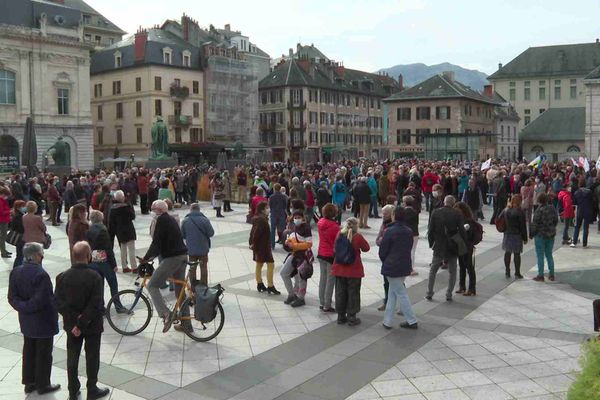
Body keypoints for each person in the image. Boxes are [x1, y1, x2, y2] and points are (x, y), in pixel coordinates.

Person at [55, 241, 109, 400]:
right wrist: (82, 322)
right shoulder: (95, 276)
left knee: (72, 357)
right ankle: (92, 388)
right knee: (92, 356)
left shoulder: (62, 277)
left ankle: (73, 389)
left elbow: (58, 302)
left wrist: (74, 322)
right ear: (88, 256)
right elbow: (96, 303)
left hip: (71, 327)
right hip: (92, 325)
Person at [8, 242, 60, 396]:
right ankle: (43, 384)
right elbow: (42, 299)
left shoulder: (16, 271)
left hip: (26, 320)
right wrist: (29, 307)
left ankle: (29, 382)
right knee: (43, 353)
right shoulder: (41, 274)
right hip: (42, 320)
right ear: (37, 255)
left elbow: (12, 297)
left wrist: (23, 307)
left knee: (29, 350)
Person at [142, 200, 188, 332]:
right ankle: (187, 325)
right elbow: (161, 243)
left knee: (152, 285)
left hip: (173, 258)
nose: (151, 211)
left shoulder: (162, 220)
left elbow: (156, 243)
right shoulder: (170, 219)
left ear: (159, 210)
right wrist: (150, 256)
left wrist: (146, 258)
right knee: (180, 291)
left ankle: (166, 314)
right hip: (182, 255)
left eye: (153, 209)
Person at [379, 206, 418, 329]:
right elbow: (410, 247)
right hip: (404, 265)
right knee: (393, 293)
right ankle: (387, 320)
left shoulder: (389, 231)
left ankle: (412, 320)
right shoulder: (408, 231)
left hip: (392, 266)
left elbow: (383, 250)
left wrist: (385, 260)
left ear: (394, 215)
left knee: (401, 293)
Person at [426, 195, 465, 301]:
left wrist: (431, 243)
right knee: (452, 270)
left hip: (439, 244)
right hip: (452, 245)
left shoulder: (436, 212)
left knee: (433, 270)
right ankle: (449, 294)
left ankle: (429, 292)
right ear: (453, 203)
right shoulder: (457, 213)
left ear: (444, 202)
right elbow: (461, 230)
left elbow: (430, 230)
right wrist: (462, 243)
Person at [331, 217, 370, 326]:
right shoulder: (357, 237)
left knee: (340, 292)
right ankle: (352, 317)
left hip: (339, 269)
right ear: (356, 226)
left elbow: (335, 248)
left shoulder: (339, 234)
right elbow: (366, 248)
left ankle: (340, 316)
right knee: (353, 293)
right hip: (354, 270)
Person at [280, 210, 312, 307]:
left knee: (302, 276)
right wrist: (287, 241)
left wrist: (294, 245)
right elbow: (292, 237)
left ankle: (301, 298)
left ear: (302, 218)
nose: (296, 219)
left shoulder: (306, 228)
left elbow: (309, 244)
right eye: (295, 217)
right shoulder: (294, 226)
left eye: (298, 217)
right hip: (294, 254)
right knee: (283, 273)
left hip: (303, 256)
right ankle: (292, 294)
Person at [249, 201, 280, 295]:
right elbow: (256, 233)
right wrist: (253, 243)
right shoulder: (261, 220)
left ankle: (260, 284)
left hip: (261, 246)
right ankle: (270, 286)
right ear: (262, 210)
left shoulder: (259, 218)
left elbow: (253, 232)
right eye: (267, 208)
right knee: (270, 264)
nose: (268, 210)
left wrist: (252, 243)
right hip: (263, 247)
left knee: (259, 265)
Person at [181, 202, 215, 286]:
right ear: (199, 209)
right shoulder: (205, 220)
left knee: (192, 268)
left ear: (190, 210)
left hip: (191, 249)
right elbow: (211, 233)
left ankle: (193, 286)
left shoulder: (185, 220)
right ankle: (204, 286)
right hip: (203, 249)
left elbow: (182, 235)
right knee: (203, 268)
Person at [530, 193, 558, 282]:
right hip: (550, 234)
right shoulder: (552, 208)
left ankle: (541, 275)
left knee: (540, 255)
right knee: (549, 254)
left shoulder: (538, 210)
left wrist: (531, 234)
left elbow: (535, 223)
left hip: (540, 235)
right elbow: (556, 220)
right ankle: (552, 274)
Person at [317, 203, 339, 312]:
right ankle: (327, 304)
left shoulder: (320, 222)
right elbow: (335, 241)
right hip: (330, 254)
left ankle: (321, 302)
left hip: (321, 252)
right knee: (330, 280)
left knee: (323, 278)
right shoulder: (335, 226)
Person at [108, 190, 137, 273]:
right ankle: (134, 267)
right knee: (131, 249)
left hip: (119, 230)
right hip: (129, 229)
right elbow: (132, 216)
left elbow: (111, 222)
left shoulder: (113, 208)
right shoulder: (127, 207)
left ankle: (124, 266)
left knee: (123, 249)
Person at [454, 202, 477, 296]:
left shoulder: (468, 221)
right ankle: (462, 286)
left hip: (467, 247)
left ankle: (472, 289)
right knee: (462, 266)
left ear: (463, 210)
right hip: (460, 246)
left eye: (457, 209)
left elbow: (468, 235)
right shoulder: (459, 219)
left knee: (469, 267)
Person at [376, 204, 396, 311]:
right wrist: (381, 241)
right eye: (383, 213)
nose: (384, 215)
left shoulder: (394, 226)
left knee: (398, 283)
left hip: (394, 258)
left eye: (386, 214)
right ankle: (387, 301)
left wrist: (382, 241)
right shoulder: (384, 224)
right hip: (385, 257)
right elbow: (378, 239)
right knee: (386, 282)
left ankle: (402, 306)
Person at [503, 194, 528, 279]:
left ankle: (507, 271)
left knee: (507, 252)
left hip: (507, 234)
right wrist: (525, 238)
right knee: (517, 254)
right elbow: (523, 226)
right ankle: (517, 272)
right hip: (517, 235)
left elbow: (499, 218)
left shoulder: (506, 210)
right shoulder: (520, 212)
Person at [571, 183, 594, 248]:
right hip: (587, 211)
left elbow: (574, 202)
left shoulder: (576, 193)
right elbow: (592, 201)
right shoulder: (589, 192)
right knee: (586, 228)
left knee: (577, 227)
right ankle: (584, 244)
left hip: (579, 211)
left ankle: (574, 242)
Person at [268, 183, 288, 248]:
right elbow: (285, 205)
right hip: (281, 214)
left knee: (273, 229)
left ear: (274, 188)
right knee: (282, 229)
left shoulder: (271, 196)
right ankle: (283, 243)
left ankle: (272, 244)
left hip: (274, 214)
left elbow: (270, 205)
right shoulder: (283, 196)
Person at [9, 200, 26, 268]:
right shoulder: (18, 216)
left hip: (20, 238)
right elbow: (19, 227)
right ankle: (16, 268)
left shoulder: (21, 215)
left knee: (21, 255)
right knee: (20, 256)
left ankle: (18, 268)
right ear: (18, 207)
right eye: (23, 206)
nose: (24, 207)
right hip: (20, 238)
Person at [0, 187, 11, 258]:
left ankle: (4, 250)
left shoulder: (2, 200)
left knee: (3, 236)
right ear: (3, 194)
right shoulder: (0, 201)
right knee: (3, 237)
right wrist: (10, 211)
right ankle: (3, 252)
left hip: (5, 220)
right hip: (2, 220)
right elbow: (1, 212)